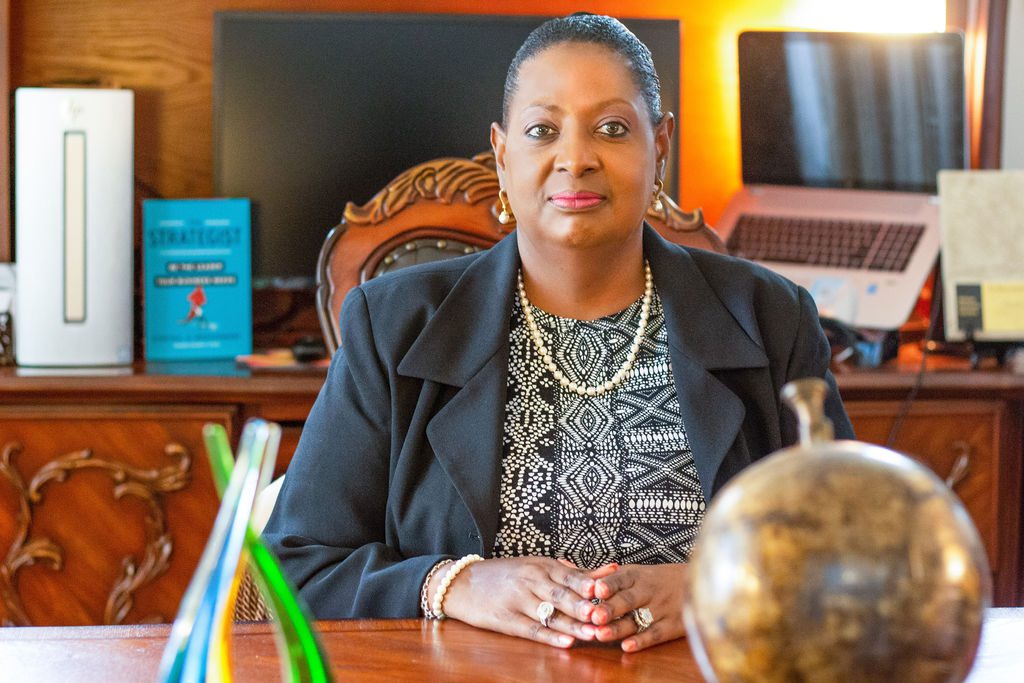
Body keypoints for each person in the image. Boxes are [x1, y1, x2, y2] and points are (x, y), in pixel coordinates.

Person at [263, 13, 854, 653]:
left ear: (661, 147)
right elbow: (294, 567)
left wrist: (721, 583)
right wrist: (456, 585)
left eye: (612, 129)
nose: (575, 159)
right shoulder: (395, 325)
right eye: (543, 131)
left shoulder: (769, 317)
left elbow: (856, 549)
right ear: (502, 153)